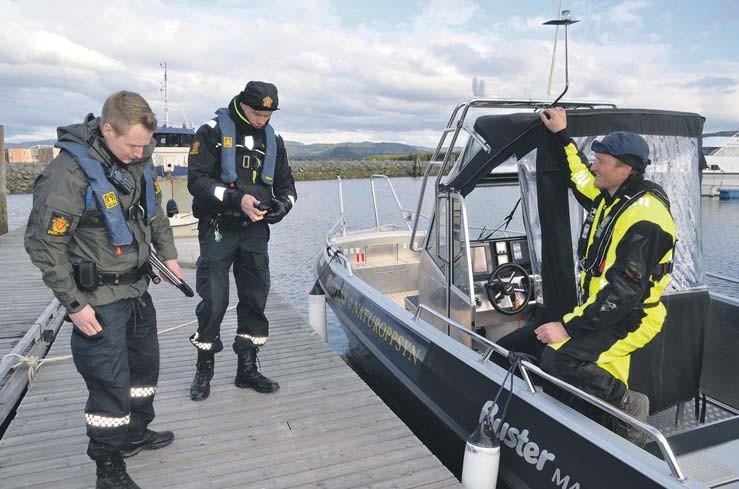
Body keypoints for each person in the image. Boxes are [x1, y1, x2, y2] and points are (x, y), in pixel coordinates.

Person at [25, 91, 182, 489]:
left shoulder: (139, 160)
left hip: (137, 291)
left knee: (144, 373)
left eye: (145, 144)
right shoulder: (68, 174)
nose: (139, 152)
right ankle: (108, 467)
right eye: (132, 144)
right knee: (109, 385)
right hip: (97, 302)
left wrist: (169, 255)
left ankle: (134, 434)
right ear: (107, 129)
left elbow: (155, 215)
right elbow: (45, 245)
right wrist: (74, 305)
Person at [534, 107, 676, 446]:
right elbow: (580, 177)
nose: (594, 165)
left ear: (625, 169)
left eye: (601, 161)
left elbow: (623, 294)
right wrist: (562, 136)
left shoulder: (646, 219)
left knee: (560, 356)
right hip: (607, 310)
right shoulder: (612, 197)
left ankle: (629, 407)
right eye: (595, 158)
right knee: (558, 352)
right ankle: (602, 419)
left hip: (632, 315)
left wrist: (566, 327)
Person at [187, 81, 297, 401]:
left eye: (268, 113)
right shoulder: (209, 132)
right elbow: (198, 182)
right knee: (215, 301)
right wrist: (237, 200)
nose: (263, 119)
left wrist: (281, 207)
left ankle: (246, 369)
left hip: (255, 232)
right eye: (257, 112)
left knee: (254, 299)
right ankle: (204, 368)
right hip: (218, 227)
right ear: (242, 105)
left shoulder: (273, 139)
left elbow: (287, 186)